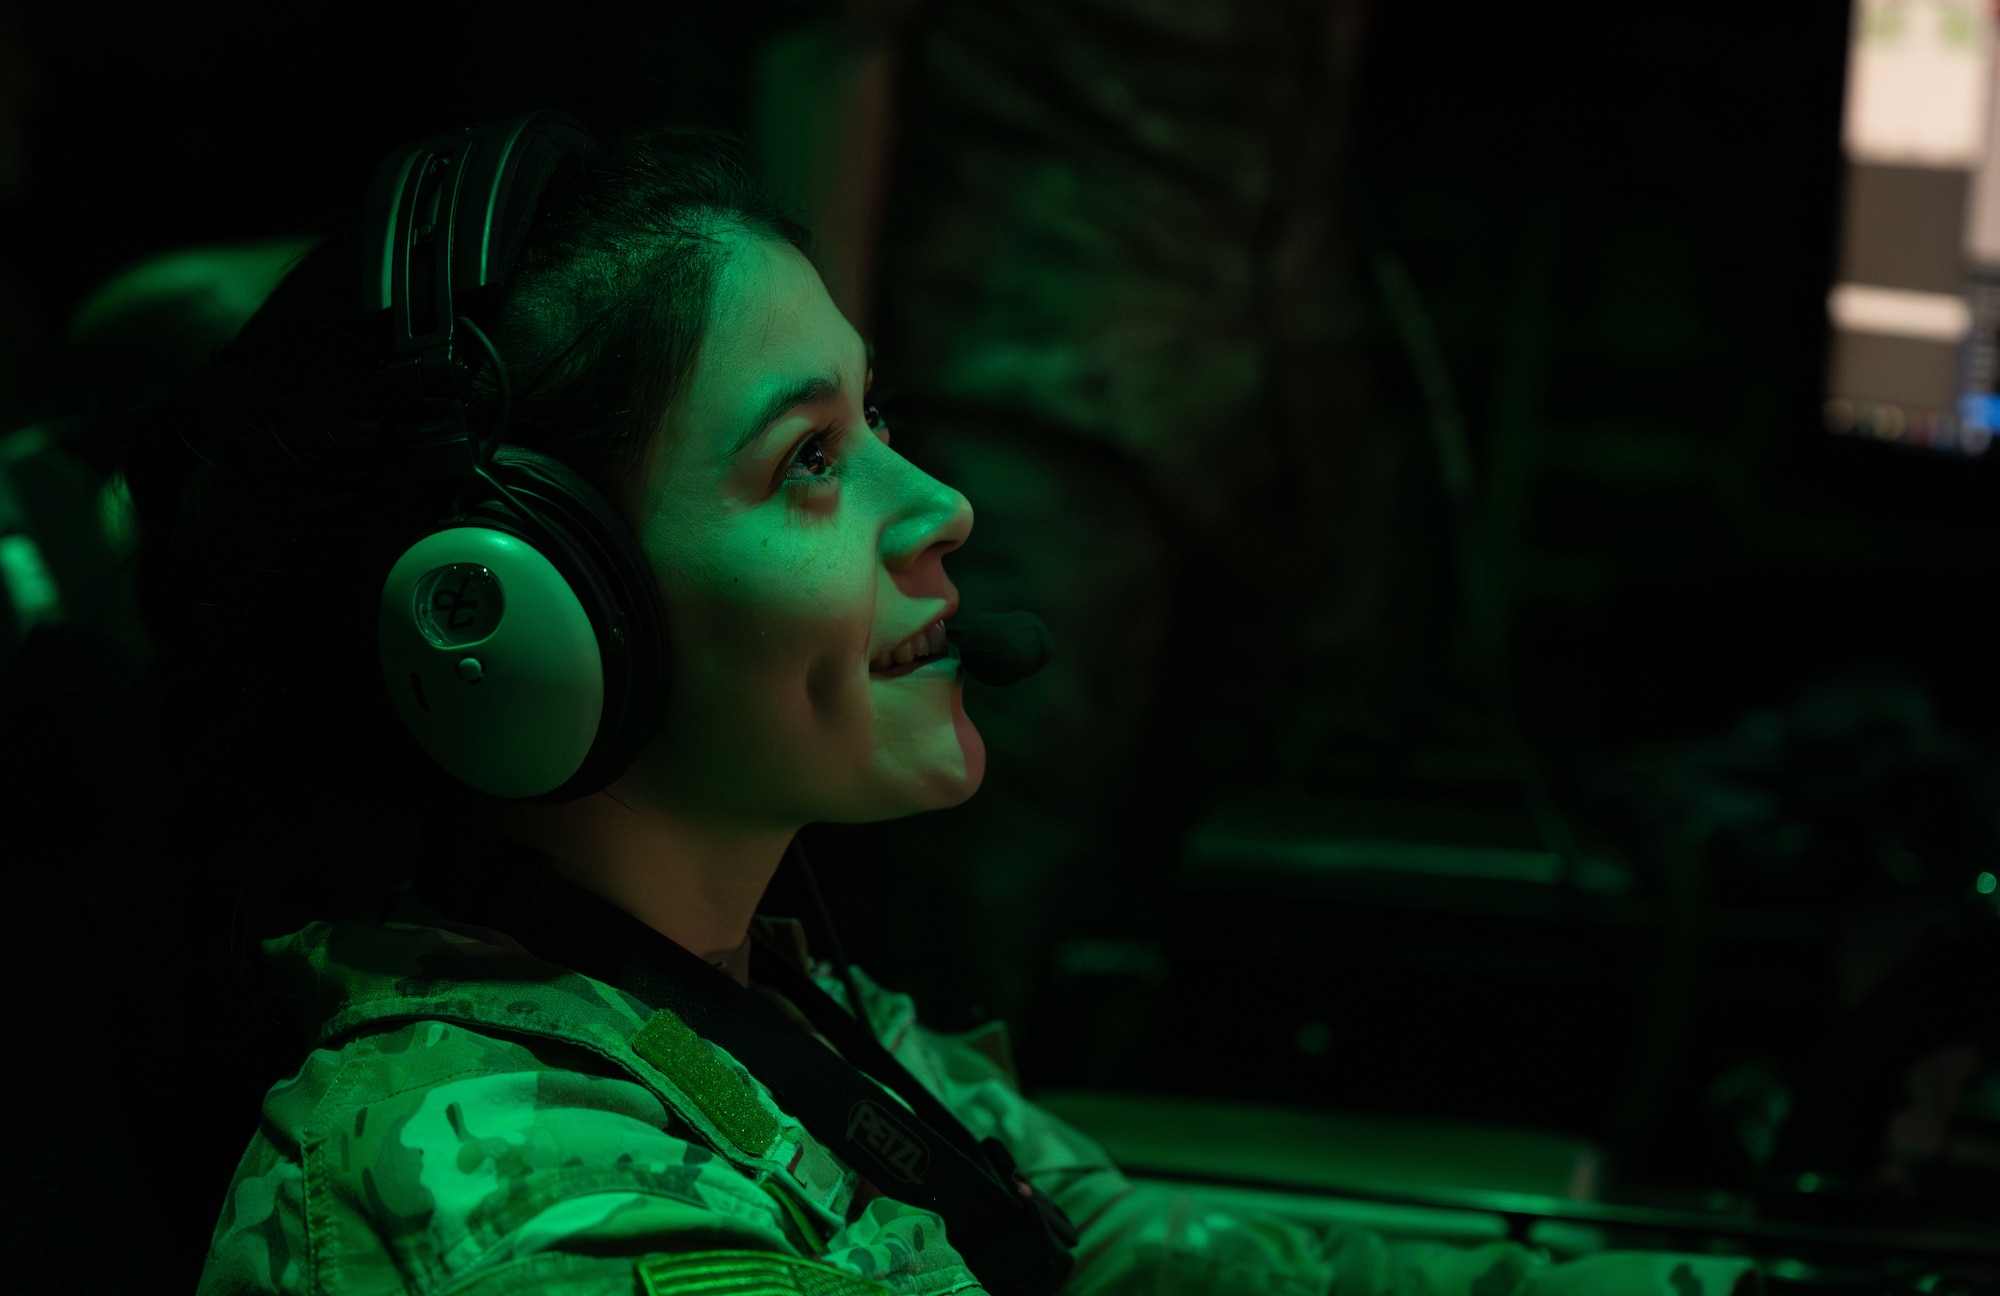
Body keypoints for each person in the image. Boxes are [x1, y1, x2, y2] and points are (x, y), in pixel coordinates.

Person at [128, 119, 1748, 1295]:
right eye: (809, 463)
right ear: (533, 621)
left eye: (875, 412)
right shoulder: (522, 1192)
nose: (944, 507)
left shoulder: (767, 1014)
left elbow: (1142, 1260)